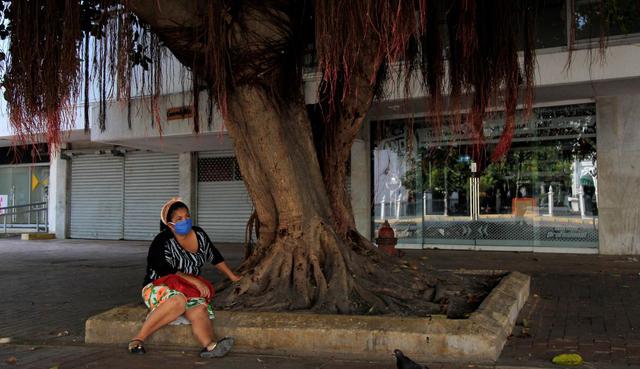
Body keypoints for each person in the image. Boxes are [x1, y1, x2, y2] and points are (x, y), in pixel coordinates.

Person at [128, 198, 241, 358]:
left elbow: (214, 256)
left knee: (199, 308)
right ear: (170, 225)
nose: (185, 221)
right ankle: (138, 339)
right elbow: (163, 268)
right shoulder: (162, 240)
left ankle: (210, 346)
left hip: (188, 289)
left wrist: (233, 276)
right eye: (179, 219)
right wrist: (193, 280)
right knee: (178, 300)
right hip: (158, 287)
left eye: (187, 216)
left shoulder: (199, 234)